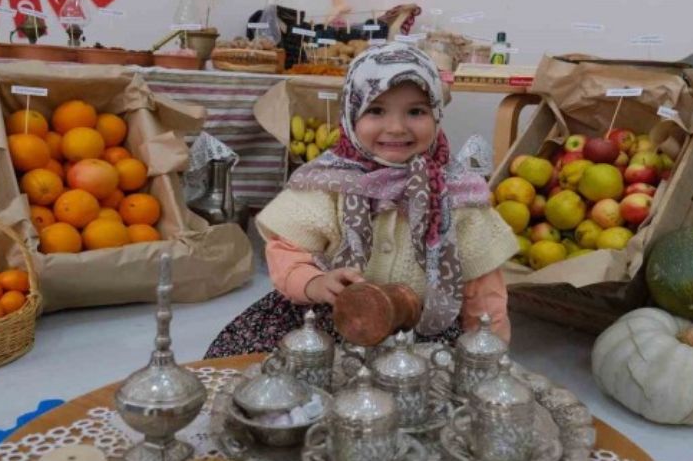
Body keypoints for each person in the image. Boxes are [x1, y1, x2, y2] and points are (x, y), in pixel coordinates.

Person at [205, 42, 516, 358]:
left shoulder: (459, 192)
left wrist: (488, 350)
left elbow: (483, 287)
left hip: (423, 333)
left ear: (436, 114)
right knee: (273, 380)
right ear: (351, 114)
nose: (396, 127)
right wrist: (314, 282)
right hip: (332, 319)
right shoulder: (329, 181)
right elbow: (287, 251)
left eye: (416, 111)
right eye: (376, 110)